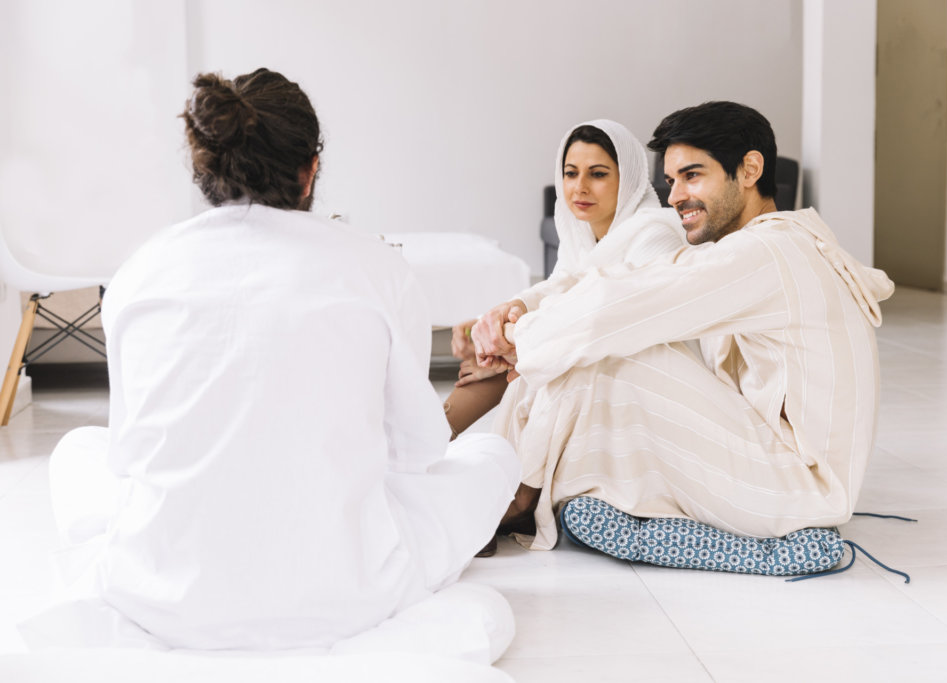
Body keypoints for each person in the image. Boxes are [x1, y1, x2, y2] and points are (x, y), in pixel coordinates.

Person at [26, 68, 520, 651]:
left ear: (204, 170)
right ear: (311, 169)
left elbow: (131, 451)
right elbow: (414, 453)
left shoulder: (142, 269)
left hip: (165, 595)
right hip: (342, 592)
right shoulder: (375, 264)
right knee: (491, 456)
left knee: (78, 452)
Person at [474, 101, 895, 551]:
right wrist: (521, 313)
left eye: (692, 176)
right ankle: (507, 491)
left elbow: (615, 305)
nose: (674, 197)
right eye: (671, 181)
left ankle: (506, 500)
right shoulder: (762, 245)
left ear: (750, 169)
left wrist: (520, 336)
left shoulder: (765, 253)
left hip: (801, 489)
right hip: (783, 463)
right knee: (596, 343)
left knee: (608, 347)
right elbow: (614, 281)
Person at [443, 120, 685, 438]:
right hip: (596, 353)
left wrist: (516, 348)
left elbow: (613, 323)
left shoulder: (655, 235)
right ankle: (421, 446)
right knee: (503, 347)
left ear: (628, 180)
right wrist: (490, 323)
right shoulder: (580, 234)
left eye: (597, 174)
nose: (579, 187)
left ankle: (421, 447)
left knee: (515, 356)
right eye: (571, 173)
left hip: (648, 375)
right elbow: (559, 290)